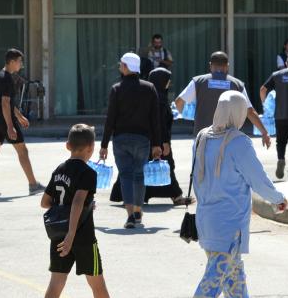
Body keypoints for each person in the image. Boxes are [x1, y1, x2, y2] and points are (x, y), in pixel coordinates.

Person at [192, 91, 287, 298]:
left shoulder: (202, 137)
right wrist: (278, 199)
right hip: (230, 225)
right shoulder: (238, 142)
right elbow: (258, 179)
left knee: (234, 279)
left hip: (206, 221)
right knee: (212, 282)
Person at [41, 124, 109, 298]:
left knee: (56, 282)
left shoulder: (59, 170)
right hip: (82, 236)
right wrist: (72, 233)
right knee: (97, 284)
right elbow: (78, 201)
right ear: (91, 148)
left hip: (59, 235)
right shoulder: (88, 173)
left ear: (68, 145)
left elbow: (45, 202)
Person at [99, 53, 162, 228]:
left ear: (126, 67)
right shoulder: (149, 88)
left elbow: (110, 119)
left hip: (121, 139)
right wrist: (157, 143)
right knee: (139, 175)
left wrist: (104, 144)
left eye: (121, 64)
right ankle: (137, 210)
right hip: (143, 139)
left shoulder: (116, 89)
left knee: (125, 175)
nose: (120, 67)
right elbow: (155, 119)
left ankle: (130, 216)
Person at [0, 48, 46, 197]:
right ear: (11, 62)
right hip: (5, 120)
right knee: (22, 151)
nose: (21, 65)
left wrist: (19, 116)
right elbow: (5, 103)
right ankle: (33, 184)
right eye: (19, 62)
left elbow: (7, 101)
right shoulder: (6, 78)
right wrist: (11, 126)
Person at [174, 51, 272, 149]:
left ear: (210, 65)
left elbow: (179, 102)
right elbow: (250, 112)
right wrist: (264, 132)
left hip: (203, 138)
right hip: (229, 140)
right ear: (227, 66)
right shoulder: (237, 84)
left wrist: (189, 115)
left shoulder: (198, 82)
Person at [144, 68, 194, 205]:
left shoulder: (152, 95)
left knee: (151, 167)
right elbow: (160, 122)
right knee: (167, 167)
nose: (169, 83)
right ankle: (176, 196)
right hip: (159, 139)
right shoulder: (159, 98)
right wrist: (164, 142)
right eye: (167, 80)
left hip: (150, 139)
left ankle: (142, 196)